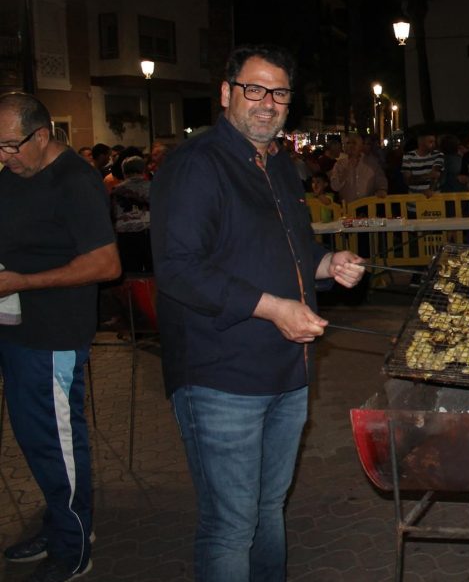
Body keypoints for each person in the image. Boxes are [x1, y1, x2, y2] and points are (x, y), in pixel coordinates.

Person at [150, 44, 366, 581]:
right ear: (226, 94)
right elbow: (178, 268)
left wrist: (327, 265)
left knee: (268, 509)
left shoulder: (280, 165)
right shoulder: (196, 164)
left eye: (278, 92)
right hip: (221, 375)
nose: (266, 103)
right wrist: (273, 309)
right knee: (231, 523)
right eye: (254, 89)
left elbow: (290, 255)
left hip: (286, 372)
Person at [0, 92, 121, 582]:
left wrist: (20, 282)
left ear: (42, 135)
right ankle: (60, 522)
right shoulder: (14, 174)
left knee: (56, 441)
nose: (3, 156)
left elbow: (105, 264)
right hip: (15, 327)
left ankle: (74, 546)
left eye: (10, 145)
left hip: (53, 334)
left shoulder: (76, 181)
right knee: (33, 436)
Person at [111, 155, 153, 273]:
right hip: (148, 234)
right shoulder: (152, 187)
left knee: (131, 272)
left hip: (125, 236)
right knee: (152, 271)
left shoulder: (116, 190)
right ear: (143, 170)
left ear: (124, 171)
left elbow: (113, 214)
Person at [329, 131, 387, 203]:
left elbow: (381, 180)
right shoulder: (339, 165)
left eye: (354, 143)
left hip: (368, 207)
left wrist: (381, 189)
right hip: (348, 208)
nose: (351, 146)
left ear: (361, 145)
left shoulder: (372, 163)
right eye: (348, 143)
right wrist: (346, 171)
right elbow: (334, 187)